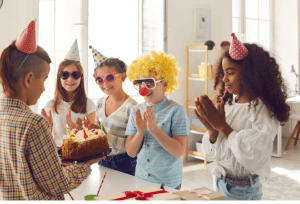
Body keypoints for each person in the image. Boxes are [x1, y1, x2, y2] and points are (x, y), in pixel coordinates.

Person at [0, 20, 103, 200]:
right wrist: (87, 163)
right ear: (29, 78)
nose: (43, 88)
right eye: (45, 79)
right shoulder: (33, 123)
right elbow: (58, 184)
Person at [194, 33, 290, 200]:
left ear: (250, 74)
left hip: (243, 192)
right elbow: (211, 156)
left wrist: (223, 127)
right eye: (223, 73)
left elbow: (254, 155)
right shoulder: (229, 106)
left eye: (230, 73)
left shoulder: (264, 111)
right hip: (219, 184)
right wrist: (212, 131)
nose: (224, 79)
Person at [125, 51, 190, 190]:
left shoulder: (177, 111)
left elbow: (179, 152)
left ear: (165, 84)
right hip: (141, 180)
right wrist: (140, 132)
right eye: (139, 83)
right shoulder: (136, 111)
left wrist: (154, 130)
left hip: (167, 184)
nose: (143, 88)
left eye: (149, 83)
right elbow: (131, 152)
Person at [79, 46, 137, 175]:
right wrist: (89, 132)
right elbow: (98, 137)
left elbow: (133, 147)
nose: (105, 83)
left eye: (109, 78)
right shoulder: (100, 103)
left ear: (123, 77)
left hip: (124, 164)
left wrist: (106, 137)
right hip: (103, 161)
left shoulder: (132, 108)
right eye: (99, 80)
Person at [42, 40, 96, 148]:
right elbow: (44, 140)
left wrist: (76, 131)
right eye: (65, 74)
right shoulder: (50, 106)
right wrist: (46, 127)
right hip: (58, 155)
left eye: (75, 74)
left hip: (81, 153)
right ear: (59, 77)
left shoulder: (88, 104)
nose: (70, 79)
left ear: (81, 77)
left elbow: (92, 138)